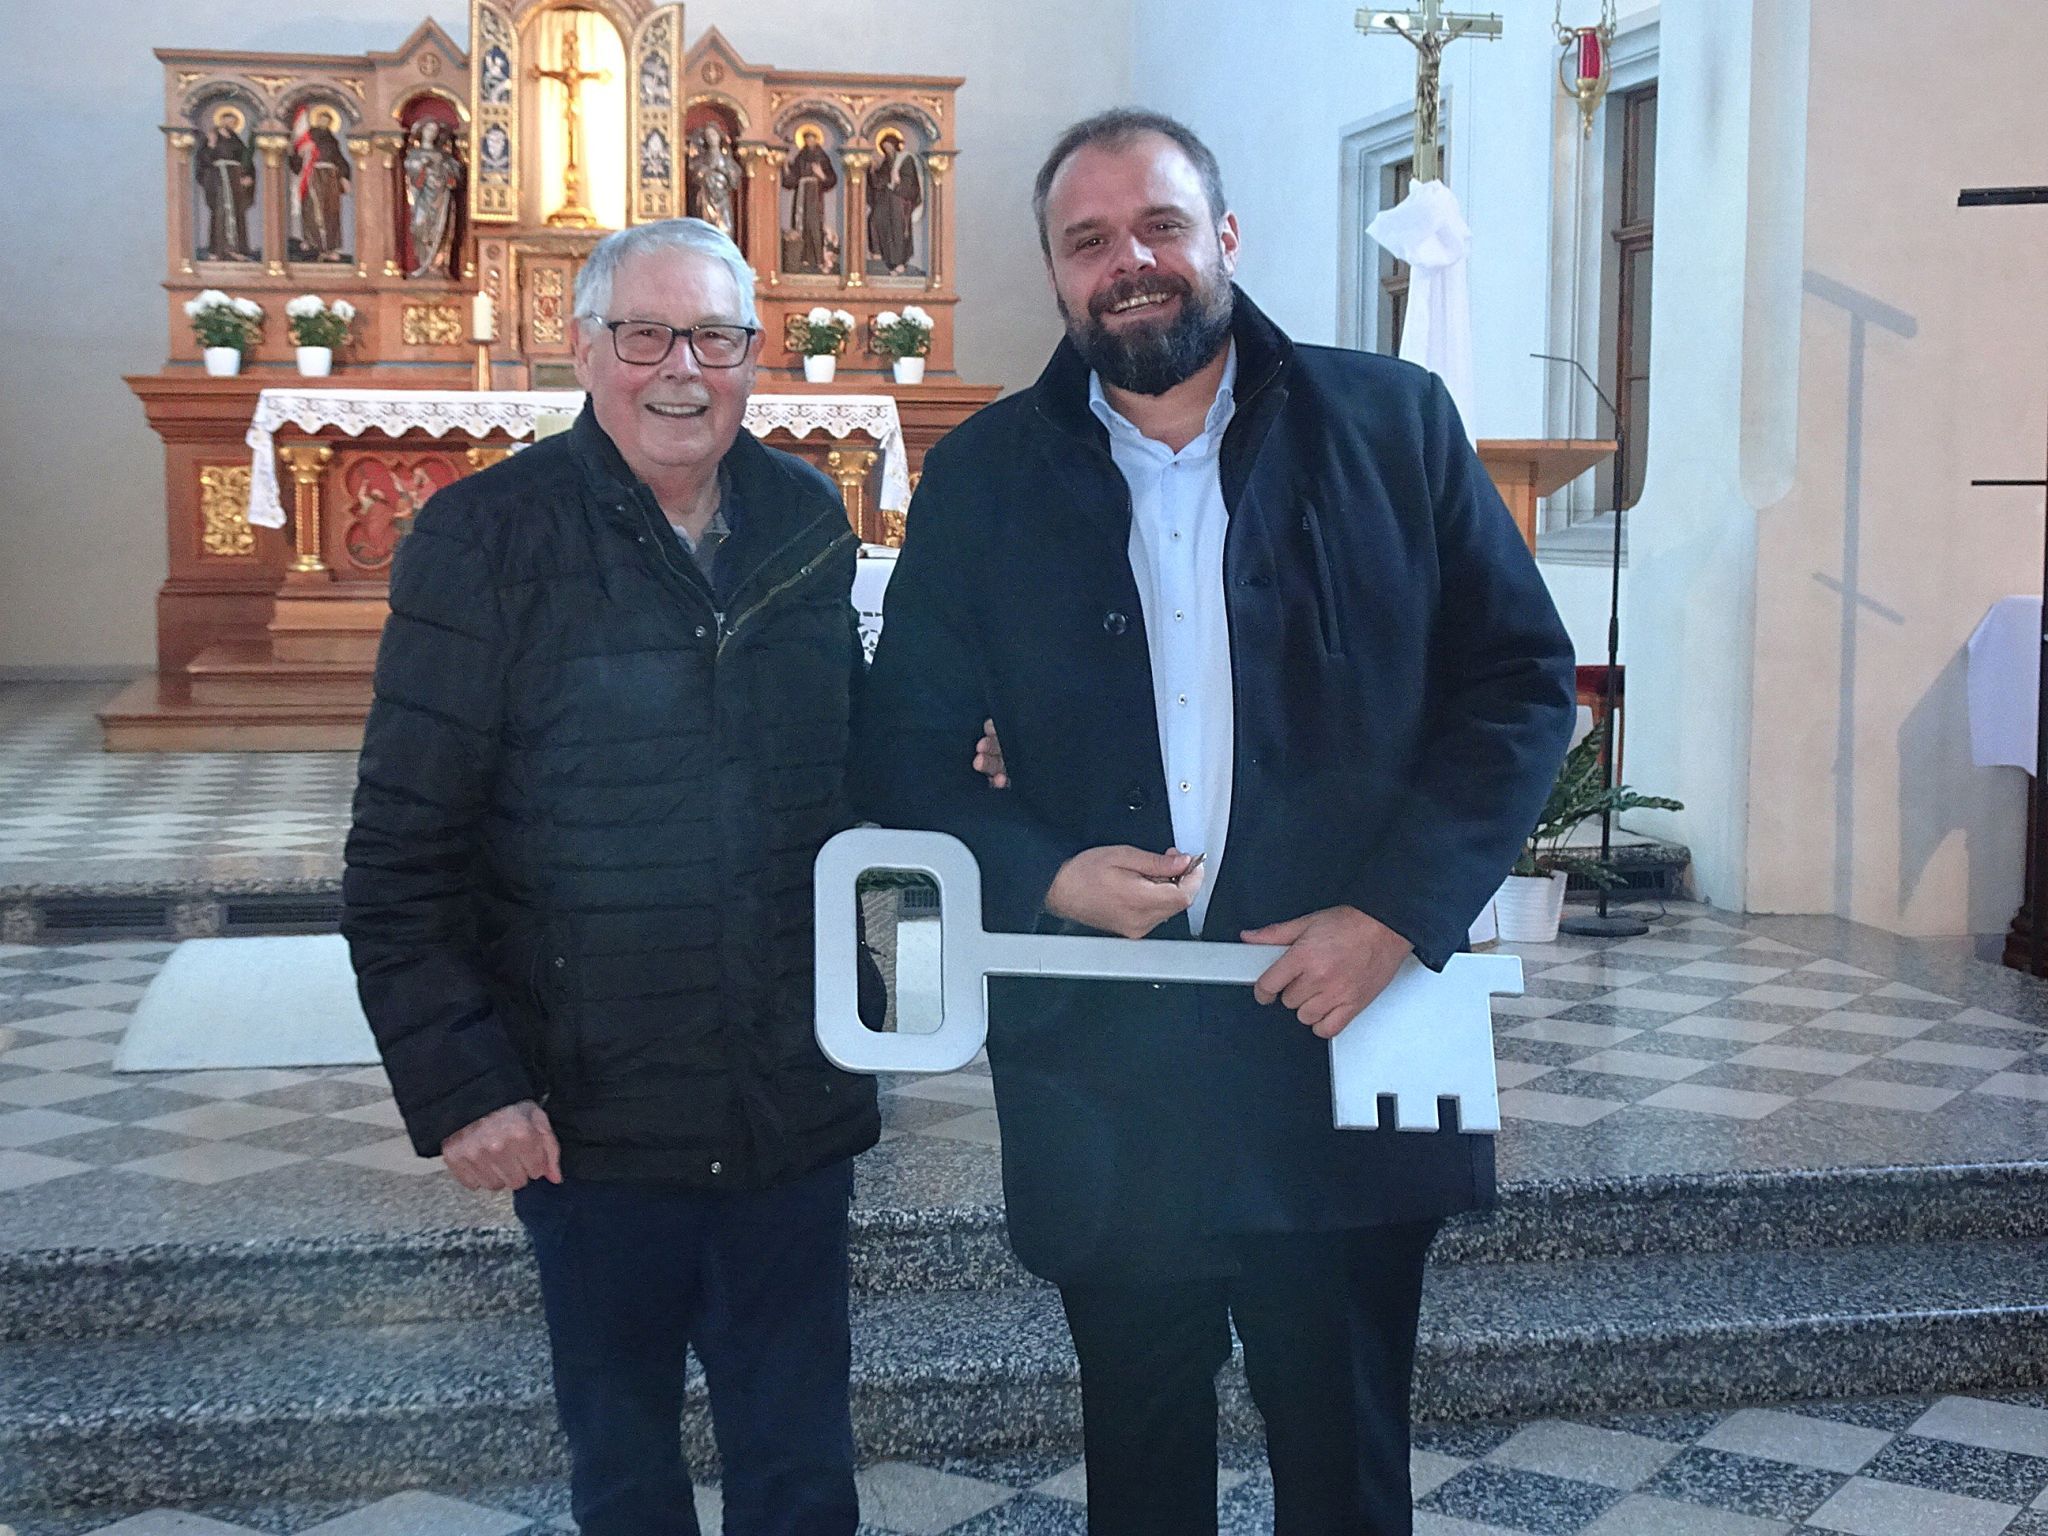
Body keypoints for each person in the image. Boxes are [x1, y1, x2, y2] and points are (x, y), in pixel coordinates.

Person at [857, 110, 1575, 1536]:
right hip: (1105, 1062)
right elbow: (900, 751)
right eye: (1090, 242)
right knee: (1138, 1459)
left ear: (1224, 237)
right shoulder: (988, 478)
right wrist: (1045, 873)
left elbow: (1518, 688)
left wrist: (1392, 917)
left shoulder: (1391, 427)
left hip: (1343, 1033)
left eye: (1161, 227)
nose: (1132, 264)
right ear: (1056, 277)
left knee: (1345, 1455)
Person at [343, 217, 882, 1536]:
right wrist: (469, 1085)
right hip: (591, 1115)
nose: (681, 370)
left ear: (757, 355)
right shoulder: (486, 538)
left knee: (804, 1467)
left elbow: (846, 769)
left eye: (716, 338)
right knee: (627, 1468)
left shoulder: (806, 520)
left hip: (789, 1096)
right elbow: (399, 854)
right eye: (646, 336)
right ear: (586, 348)